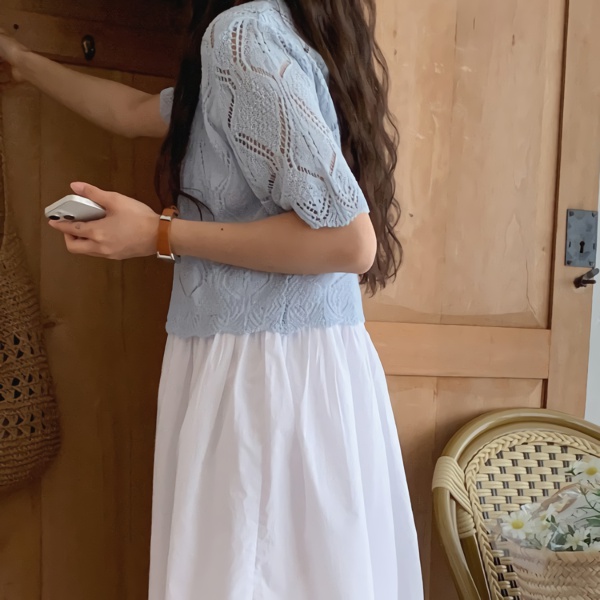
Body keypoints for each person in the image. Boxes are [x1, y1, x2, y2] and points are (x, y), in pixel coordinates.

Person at [0, 0, 423, 598]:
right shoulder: (278, 31)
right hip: (295, 366)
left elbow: (348, 240)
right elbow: (134, 112)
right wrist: (22, 61)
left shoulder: (241, 36)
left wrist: (158, 234)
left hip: (261, 374)